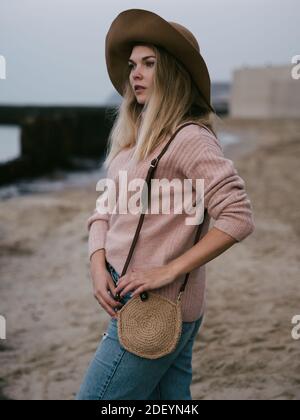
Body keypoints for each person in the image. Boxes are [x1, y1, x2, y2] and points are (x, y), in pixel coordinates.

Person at [76, 8, 255, 400]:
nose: (135, 73)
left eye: (149, 64)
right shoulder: (133, 141)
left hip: (156, 306)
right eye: (132, 65)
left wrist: (166, 270)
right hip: (136, 299)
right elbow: (103, 210)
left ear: (173, 73)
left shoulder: (190, 139)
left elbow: (238, 216)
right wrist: (95, 263)